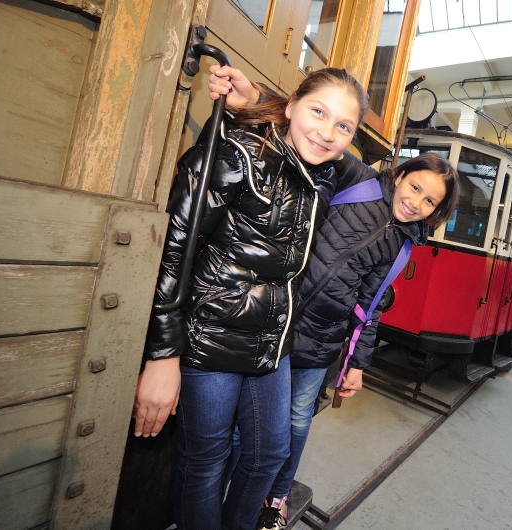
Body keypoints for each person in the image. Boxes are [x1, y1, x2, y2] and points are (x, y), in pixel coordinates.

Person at [134, 67, 374, 530]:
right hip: (211, 337)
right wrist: (162, 355)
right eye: (317, 112)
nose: (327, 133)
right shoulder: (238, 151)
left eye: (343, 126)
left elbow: (371, 177)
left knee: (269, 455)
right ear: (291, 107)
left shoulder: (324, 174)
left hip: (271, 341)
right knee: (206, 460)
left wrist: (257, 99)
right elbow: (174, 249)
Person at [256, 153, 459, 529]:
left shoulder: (401, 244)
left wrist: (356, 365)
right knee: (257, 417)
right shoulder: (358, 182)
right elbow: (321, 143)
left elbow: (370, 305)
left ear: (436, 211)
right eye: (415, 187)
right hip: (274, 318)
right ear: (399, 175)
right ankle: (244, 489)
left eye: (429, 201)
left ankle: (277, 497)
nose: (415, 203)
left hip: (320, 341)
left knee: (298, 418)